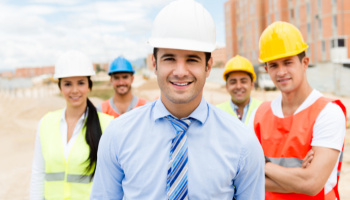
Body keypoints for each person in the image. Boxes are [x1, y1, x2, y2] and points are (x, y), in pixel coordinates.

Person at [90, 0, 265, 199]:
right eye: (169, 58)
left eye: (192, 59)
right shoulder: (117, 135)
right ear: (154, 64)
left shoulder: (243, 143)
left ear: (208, 67)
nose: (180, 72)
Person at [247, 22, 346, 199]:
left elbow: (311, 183)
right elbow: (243, 176)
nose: (281, 71)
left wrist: (264, 166)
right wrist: (298, 177)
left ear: (304, 63)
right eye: (274, 65)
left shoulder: (328, 113)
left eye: (287, 62)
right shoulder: (257, 115)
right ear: (266, 69)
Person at [30, 50, 113, 200]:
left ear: (89, 85)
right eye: (68, 84)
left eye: (81, 83)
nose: (75, 90)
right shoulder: (46, 123)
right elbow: (38, 174)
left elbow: (112, 181)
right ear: (60, 87)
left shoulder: (107, 125)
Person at [217, 55, 262, 125]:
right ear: (226, 87)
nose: (238, 86)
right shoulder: (217, 112)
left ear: (252, 85)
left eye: (243, 81)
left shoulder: (263, 109)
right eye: (233, 82)